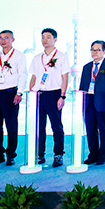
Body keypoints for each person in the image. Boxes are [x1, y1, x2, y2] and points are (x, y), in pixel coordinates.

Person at [28, 28, 70, 168]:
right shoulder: (37, 58)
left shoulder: (62, 56)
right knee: (39, 127)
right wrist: (31, 94)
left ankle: (58, 155)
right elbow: (33, 77)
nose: (45, 40)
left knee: (56, 126)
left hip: (54, 94)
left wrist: (62, 96)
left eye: (48, 37)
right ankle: (40, 154)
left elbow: (65, 77)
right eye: (43, 37)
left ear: (55, 39)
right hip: (39, 95)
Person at [0, 30, 24, 166]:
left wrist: (19, 93)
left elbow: (22, 75)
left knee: (11, 126)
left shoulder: (19, 55)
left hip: (10, 94)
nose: (3, 41)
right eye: (0, 38)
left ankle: (11, 154)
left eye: (6, 38)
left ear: (13, 39)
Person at [78, 40, 105, 165]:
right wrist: (81, 101)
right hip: (88, 101)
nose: (94, 52)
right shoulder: (86, 67)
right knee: (90, 129)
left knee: (103, 129)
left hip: (104, 102)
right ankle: (93, 154)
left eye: (98, 50)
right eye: (93, 50)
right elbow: (82, 86)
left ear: (104, 51)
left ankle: (103, 155)